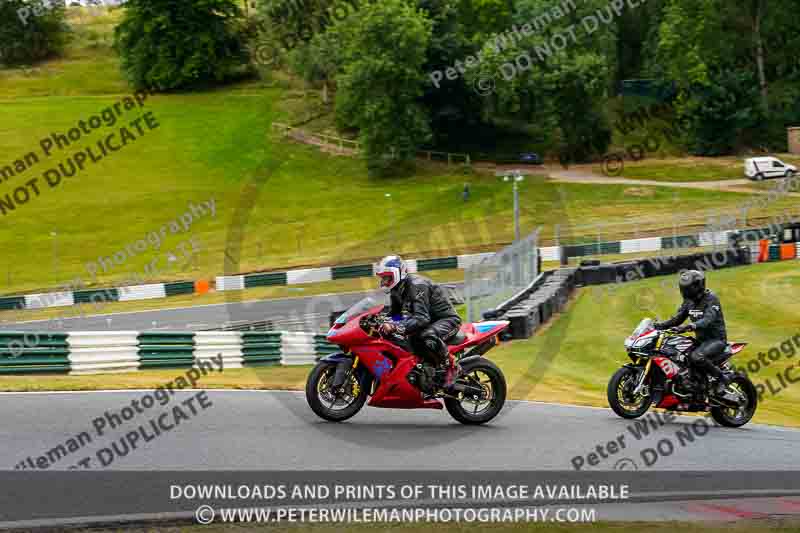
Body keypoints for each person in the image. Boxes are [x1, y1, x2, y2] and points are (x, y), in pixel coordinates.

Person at [374, 255, 462, 389]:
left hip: (446, 320)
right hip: (427, 321)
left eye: (387, 277)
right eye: (383, 278)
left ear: (398, 273)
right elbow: (395, 315)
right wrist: (378, 319)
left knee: (426, 336)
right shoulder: (396, 290)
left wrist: (396, 326)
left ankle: (452, 366)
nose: (384, 281)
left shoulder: (417, 286)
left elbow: (422, 318)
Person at [654, 270, 732, 397]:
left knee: (696, 357)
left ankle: (722, 379)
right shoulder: (689, 301)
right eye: (683, 288)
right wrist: (658, 326)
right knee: (676, 353)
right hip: (700, 341)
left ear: (697, 286)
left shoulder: (711, 299)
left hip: (716, 340)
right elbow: (677, 319)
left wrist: (690, 326)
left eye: (687, 289)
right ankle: (692, 384)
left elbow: (708, 319)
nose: (684, 292)